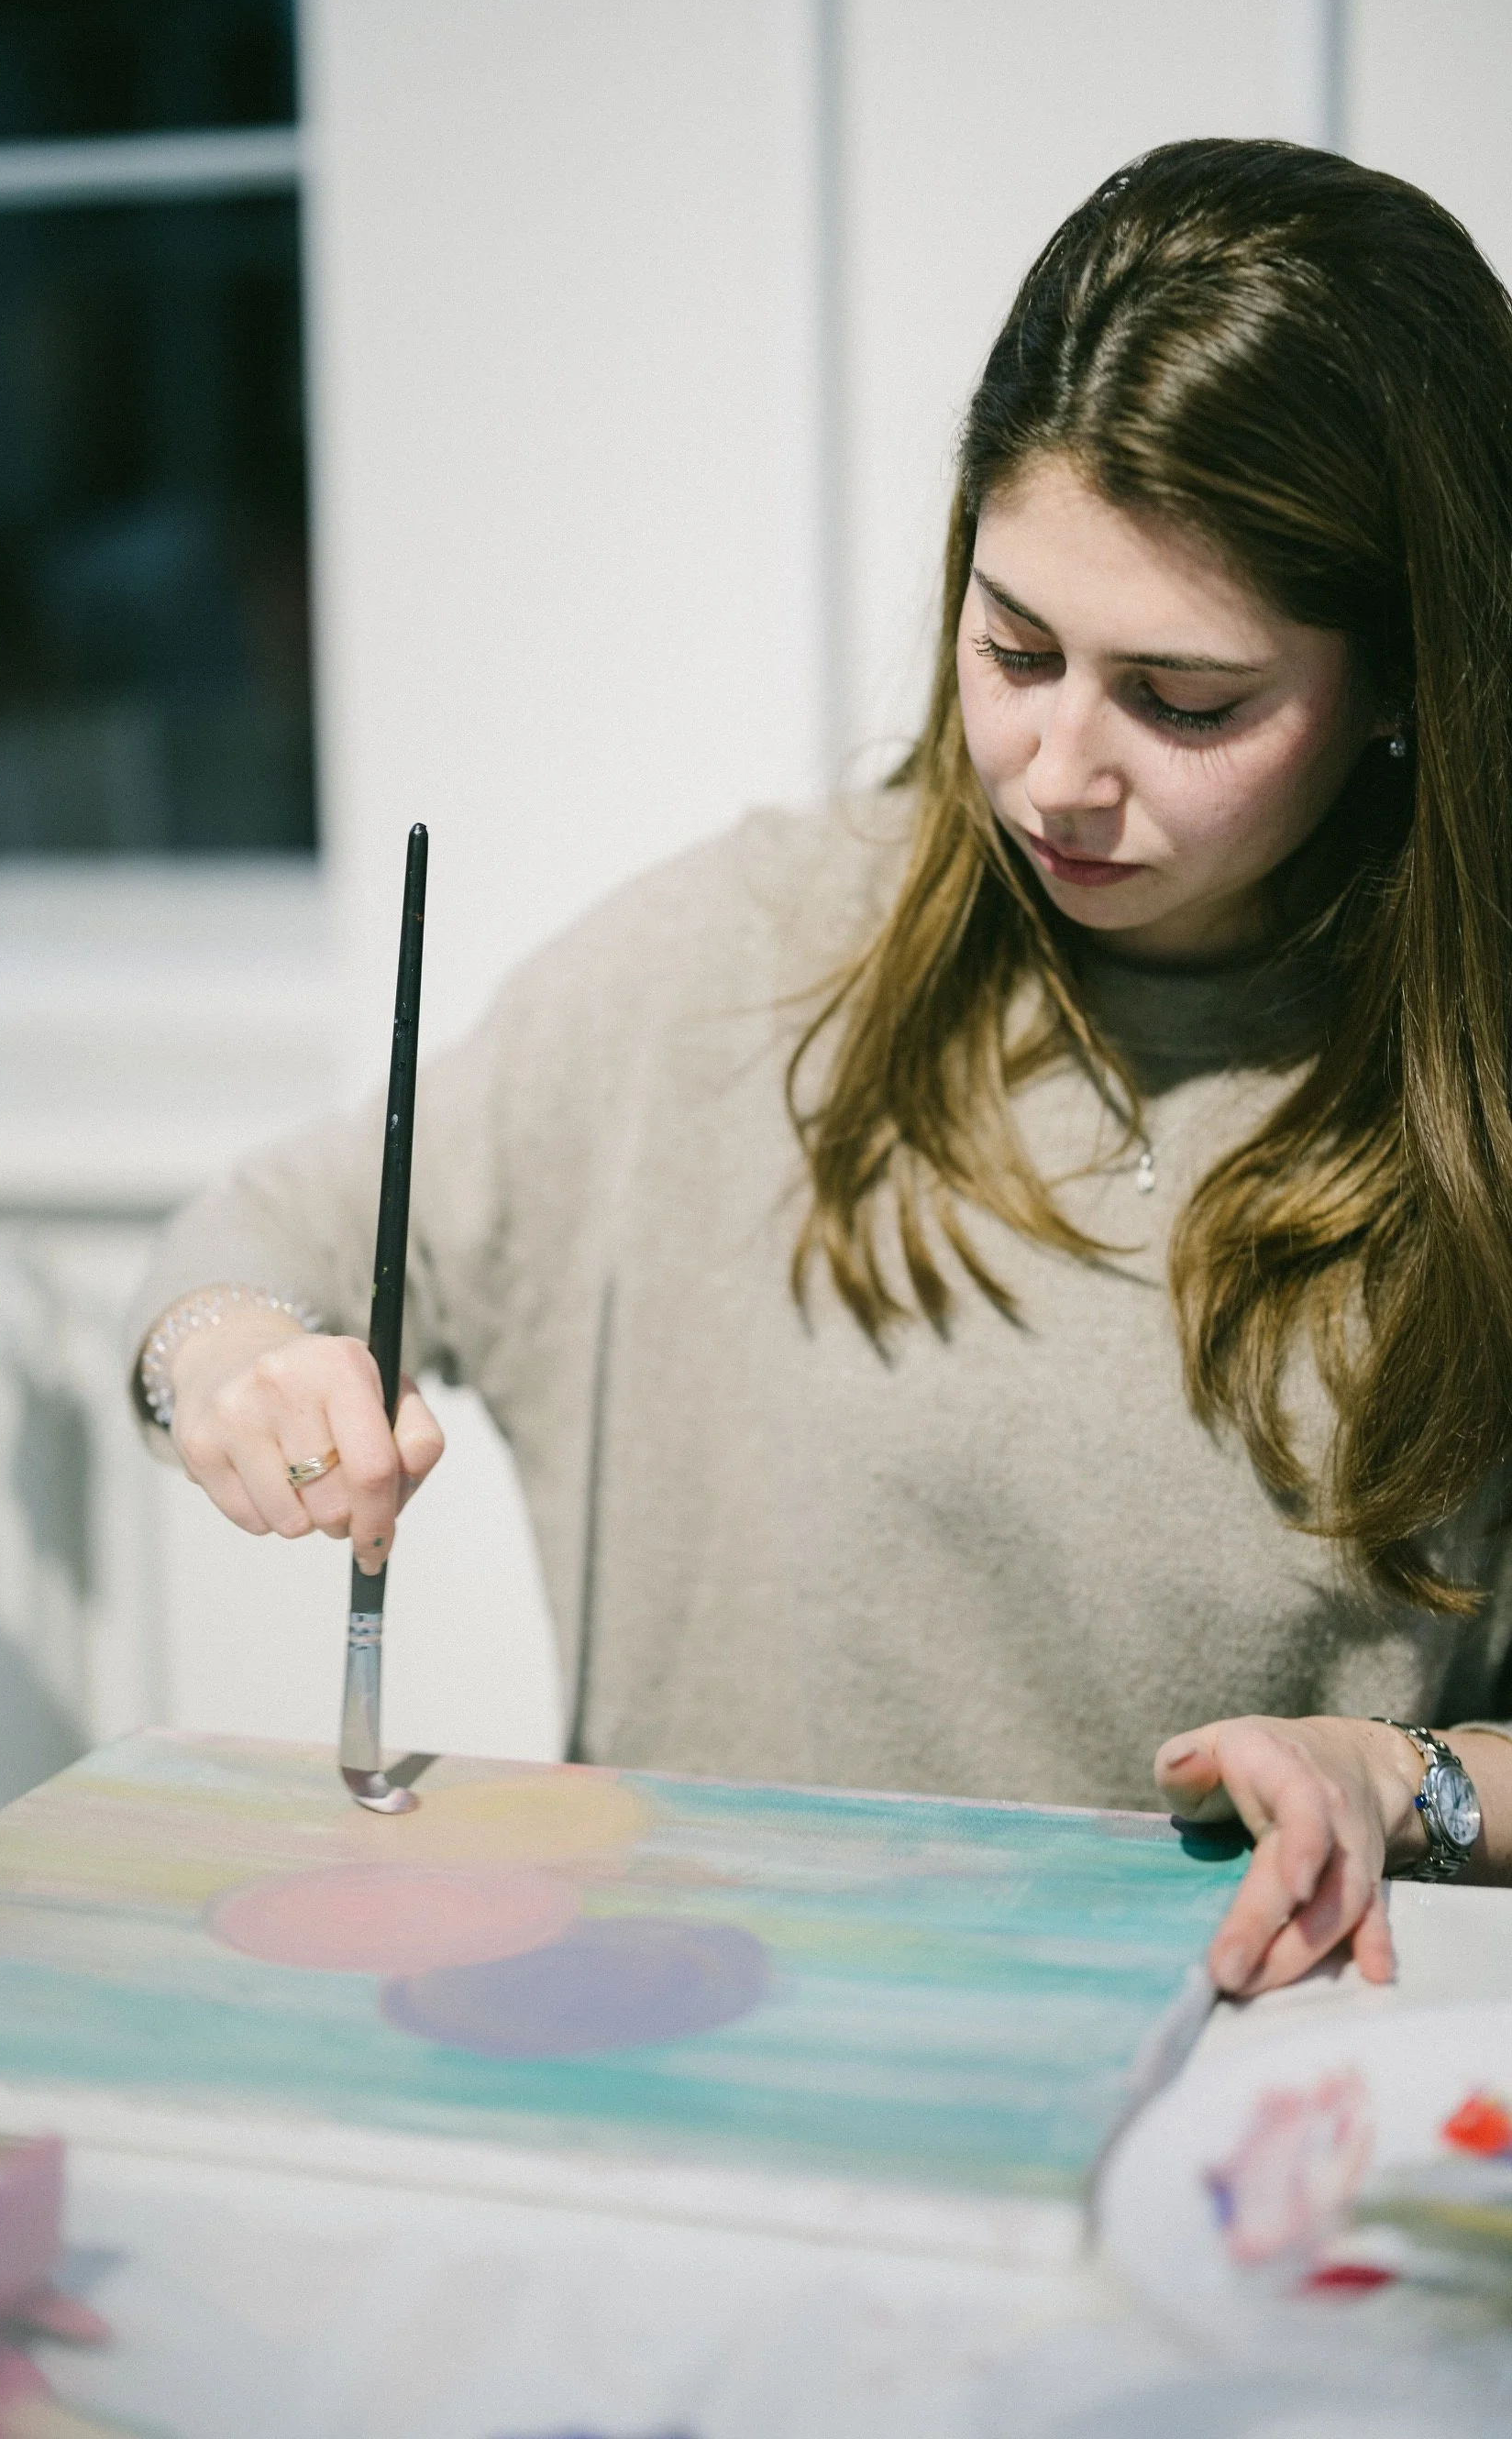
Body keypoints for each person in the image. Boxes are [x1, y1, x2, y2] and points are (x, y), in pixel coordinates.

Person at [130, 138, 1512, 1999]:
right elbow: (249, 1239)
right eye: (1014, 648)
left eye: (1185, 701)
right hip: (682, 2050)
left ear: (1407, 677)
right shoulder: (750, 959)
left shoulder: (1474, 1102)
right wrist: (234, 1360)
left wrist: (1405, 1782)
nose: (1057, 774)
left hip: (1220, 2107)